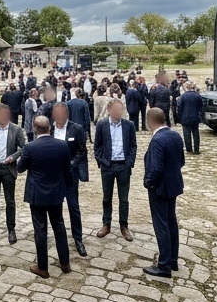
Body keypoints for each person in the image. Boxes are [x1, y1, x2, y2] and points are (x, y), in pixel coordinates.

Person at [17, 116, 73, 279]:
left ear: (35, 129)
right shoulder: (62, 145)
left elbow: (20, 168)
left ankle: (42, 267)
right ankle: (65, 263)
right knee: (59, 226)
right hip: (56, 193)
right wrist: (69, 187)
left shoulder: (30, 147)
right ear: (50, 127)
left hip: (37, 194)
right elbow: (68, 170)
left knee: (40, 229)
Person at [143, 108, 185, 277]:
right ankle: (173, 260)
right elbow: (181, 161)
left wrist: (148, 182)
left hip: (159, 188)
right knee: (171, 223)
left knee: (162, 226)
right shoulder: (176, 136)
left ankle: (164, 265)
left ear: (150, 121)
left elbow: (155, 168)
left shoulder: (157, 140)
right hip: (173, 186)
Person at [0, 103, 27, 244]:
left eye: (6, 115)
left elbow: (24, 147)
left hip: (8, 169)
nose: (4, 117)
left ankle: (11, 229)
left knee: (10, 201)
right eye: (1, 115)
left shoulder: (16, 129)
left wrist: (13, 157)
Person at [93, 99, 137, 242]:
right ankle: (106, 224)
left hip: (124, 166)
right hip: (108, 166)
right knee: (107, 197)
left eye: (121, 109)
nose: (119, 112)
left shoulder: (129, 125)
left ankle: (124, 226)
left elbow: (133, 145)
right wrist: (101, 161)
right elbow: (97, 145)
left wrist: (130, 162)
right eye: (116, 109)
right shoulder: (102, 125)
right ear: (110, 110)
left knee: (124, 199)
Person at [51, 103, 89, 257]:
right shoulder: (49, 128)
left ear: (66, 114)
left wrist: (70, 165)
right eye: (56, 113)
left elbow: (82, 150)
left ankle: (78, 239)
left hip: (70, 176)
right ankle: (59, 237)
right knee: (55, 207)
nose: (59, 116)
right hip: (53, 176)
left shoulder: (76, 128)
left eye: (61, 113)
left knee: (73, 207)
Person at [177, 81, 204, 154]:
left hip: (185, 117)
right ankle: (196, 149)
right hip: (195, 117)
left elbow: (179, 107)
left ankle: (189, 149)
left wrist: (180, 116)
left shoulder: (183, 96)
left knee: (187, 134)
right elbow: (201, 107)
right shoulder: (198, 96)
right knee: (196, 134)